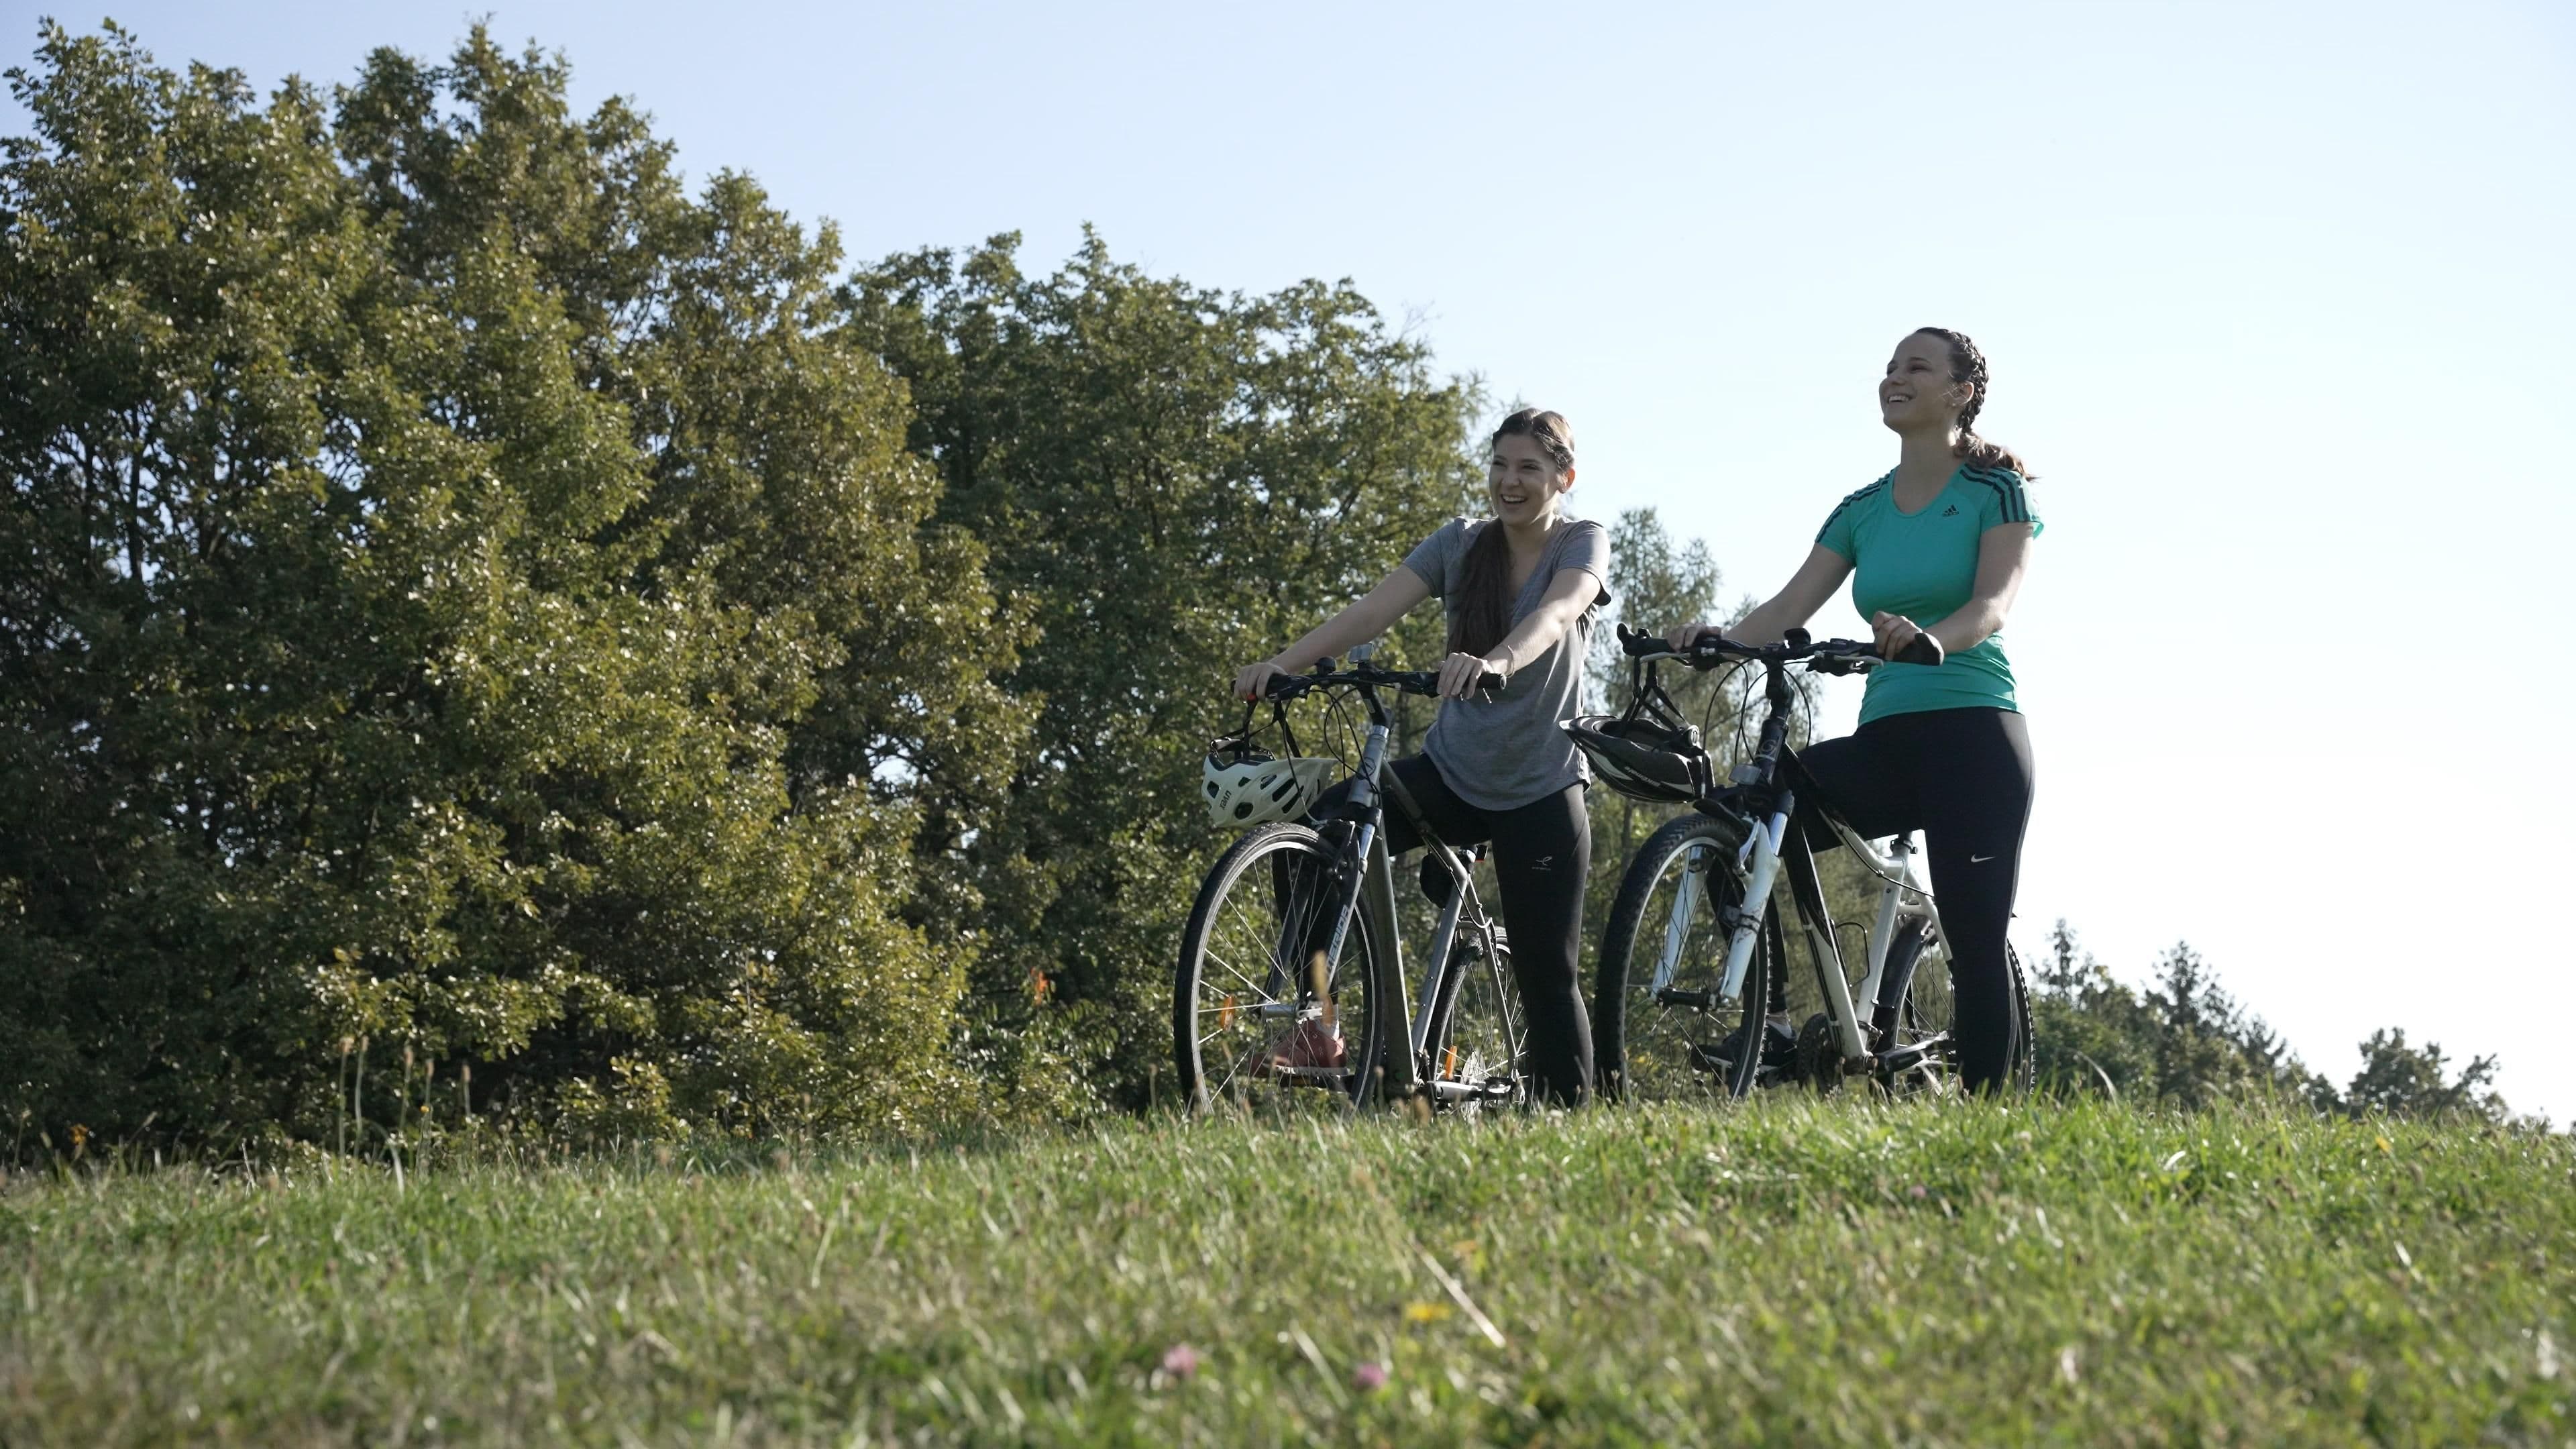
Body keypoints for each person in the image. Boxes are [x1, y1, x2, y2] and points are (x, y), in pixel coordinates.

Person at [1668, 328, 2041, 1093]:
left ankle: (1988, 1123)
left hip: (1975, 735)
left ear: (1961, 392)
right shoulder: (1862, 509)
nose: (1894, 377)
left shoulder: (1996, 492)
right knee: (1743, 817)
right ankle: (1766, 1022)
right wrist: (1720, 641)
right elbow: (1788, 605)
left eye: (1916, 367)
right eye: (1890, 367)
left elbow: (1993, 605)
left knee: (1974, 942)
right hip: (1888, 743)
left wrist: (1931, 642)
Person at [1233, 407, 1611, 1106]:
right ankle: (1321, 1022)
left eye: (1529, 468)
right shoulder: (1461, 544)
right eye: (1500, 465)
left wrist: (1497, 661)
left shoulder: (1580, 542)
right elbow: (1369, 614)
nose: (1510, 481)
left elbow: (1557, 616)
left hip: (1541, 787)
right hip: (1451, 776)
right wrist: (1281, 666)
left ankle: (1573, 1119)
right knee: (1321, 833)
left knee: (1545, 974)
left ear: (1565, 477)